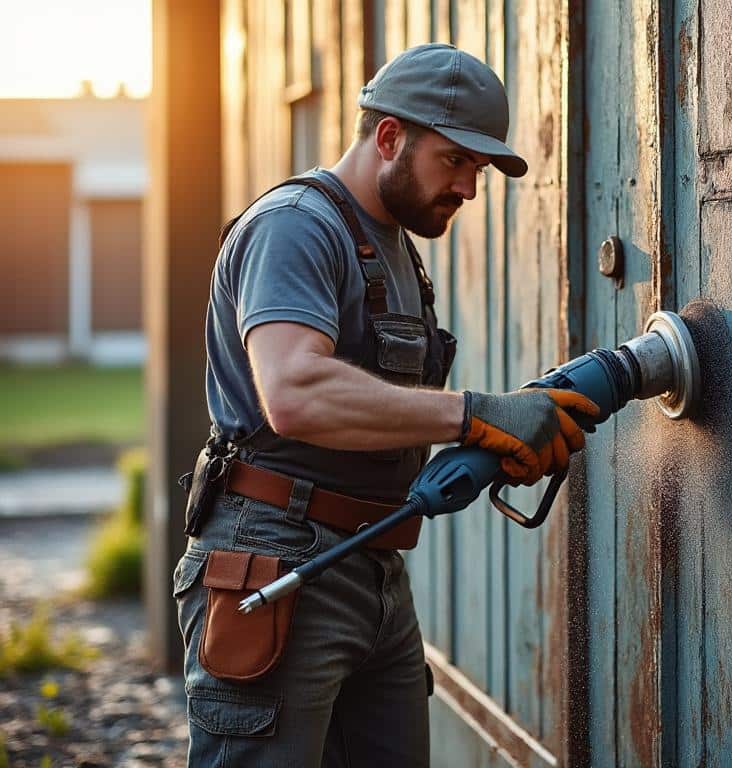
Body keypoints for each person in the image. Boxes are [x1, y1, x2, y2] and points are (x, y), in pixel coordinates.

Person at [171, 43, 596, 767]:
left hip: (372, 567)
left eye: (479, 170)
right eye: (455, 161)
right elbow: (295, 393)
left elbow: (375, 407)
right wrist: (473, 415)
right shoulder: (296, 226)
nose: (467, 187)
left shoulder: (394, 245)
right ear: (390, 136)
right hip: (277, 562)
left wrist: (485, 438)